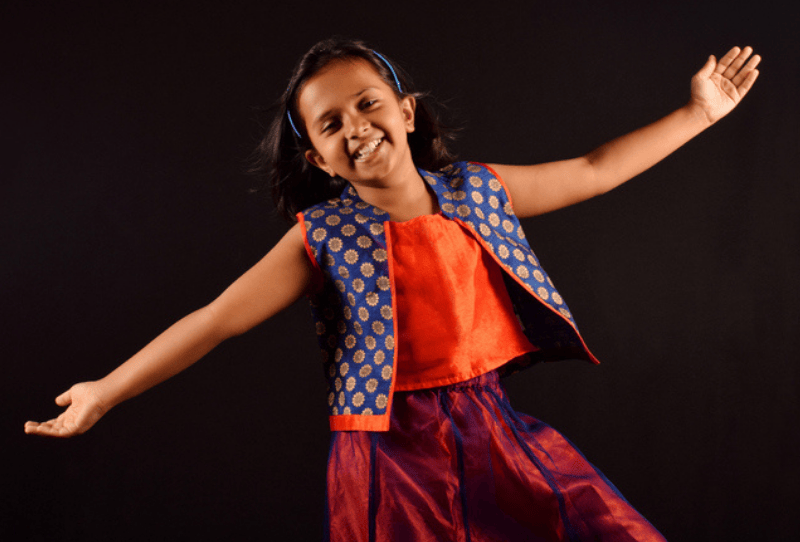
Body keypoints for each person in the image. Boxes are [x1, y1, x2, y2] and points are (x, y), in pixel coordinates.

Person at [25, 38, 760, 541]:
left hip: (492, 431)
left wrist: (699, 112)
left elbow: (596, 168)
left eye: (369, 104)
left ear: (406, 113)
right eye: (332, 124)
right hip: (386, 458)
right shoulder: (322, 237)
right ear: (318, 158)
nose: (358, 127)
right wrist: (105, 390)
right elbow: (217, 319)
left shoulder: (478, 191)